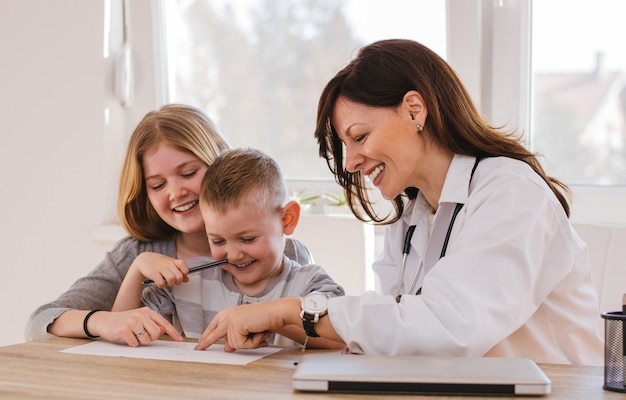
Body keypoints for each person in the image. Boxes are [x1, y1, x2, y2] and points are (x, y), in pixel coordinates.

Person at [195, 39, 604, 366]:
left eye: (359, 137)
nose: (352, 161)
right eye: (345, 145)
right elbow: (398, 331)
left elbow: (451, 327)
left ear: (413, 109)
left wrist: (293, 310)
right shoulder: (410, 219)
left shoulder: (509, 192)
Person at [25, 104, 313, 346]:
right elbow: (39, 323)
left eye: (188, 173)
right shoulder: (138, 252)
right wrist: (105, 320)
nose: (175, 193)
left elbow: (325, 334)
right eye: (158, 184)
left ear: (218, 164)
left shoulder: (286, 254)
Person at [112, 147, 345, 349]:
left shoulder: (311, 283)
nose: (233, 255)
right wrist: (136, 271)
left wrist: (275, 318)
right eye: (218, 241)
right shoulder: (186, 283)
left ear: (287, 219)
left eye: (248, 239)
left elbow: (343, 338)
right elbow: (123, 336)